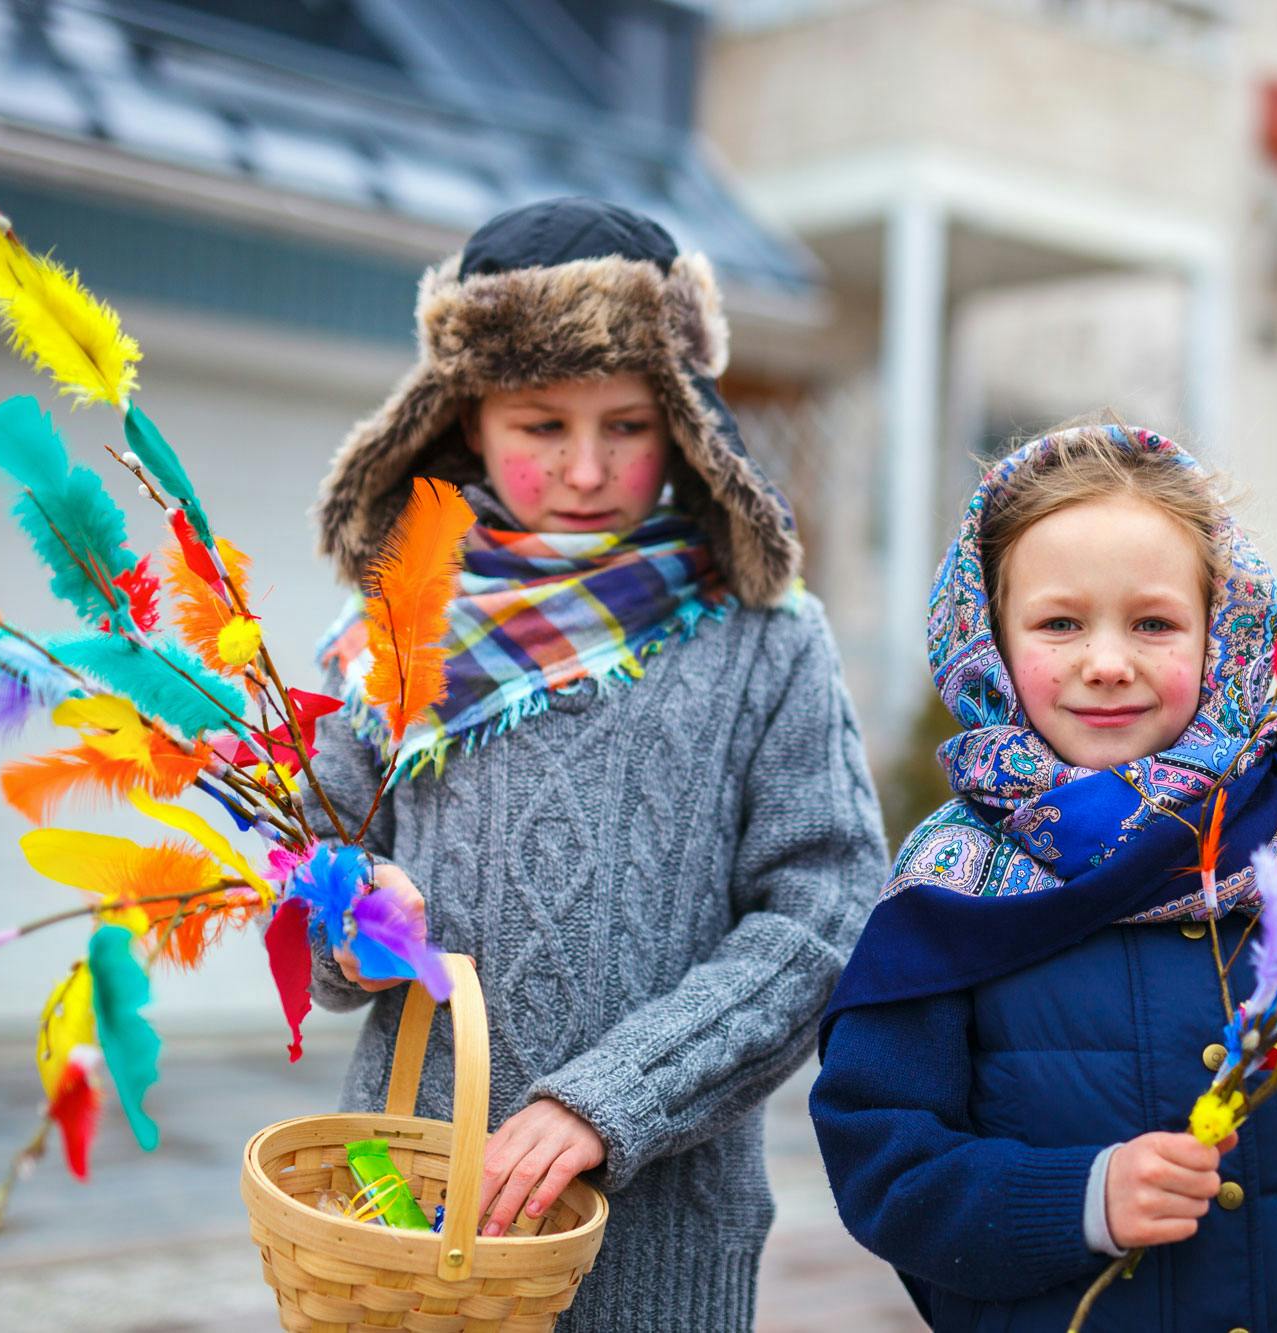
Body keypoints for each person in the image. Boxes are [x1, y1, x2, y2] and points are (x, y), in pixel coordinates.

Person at [304, 196, 887, 1331]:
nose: (585, 466)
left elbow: (825, 914)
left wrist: (610, 1101)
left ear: (684, 422)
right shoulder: (394, 624)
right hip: (407, 1205)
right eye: (539, 425)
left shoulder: (764, 637)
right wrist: (346, 916)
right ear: (467, 420)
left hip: (659, 1230)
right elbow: (303, 864)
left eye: (626, 424)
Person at [811, 422, 1277, 1331]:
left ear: (1224, 634)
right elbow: (883, 1160)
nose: (1109, 662)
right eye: (1060, 623)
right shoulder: (951, 879)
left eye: (1154, 623)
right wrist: (1083, 1197)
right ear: (992, 641)